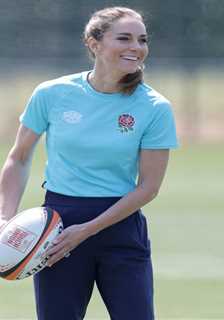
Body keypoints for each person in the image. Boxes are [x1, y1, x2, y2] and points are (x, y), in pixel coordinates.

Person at [0, 7, 178, 319]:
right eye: (124, 38)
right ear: (94, 43)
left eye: (142, 39)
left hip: (120, 227)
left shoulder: (155, 107)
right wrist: (4, 218)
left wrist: (88, 230)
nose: (136, 47)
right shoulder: (51, 93)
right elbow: (19, 157)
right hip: (56, 228)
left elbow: (149, 188)